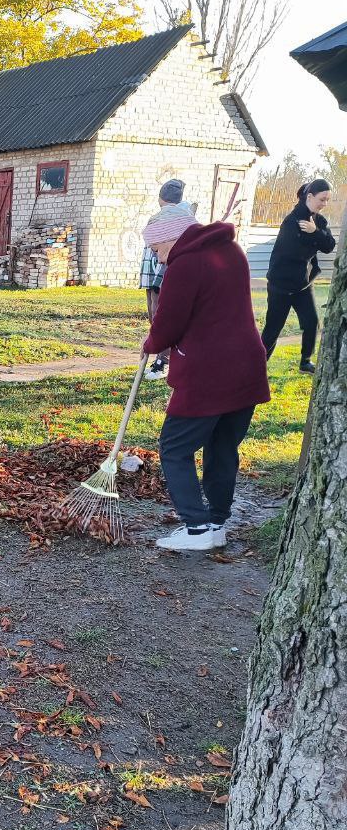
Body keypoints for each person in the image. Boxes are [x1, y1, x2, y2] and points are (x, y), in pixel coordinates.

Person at [142, 206, 270, 553]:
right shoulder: (233, 250)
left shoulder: (185, 264)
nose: (159, 258)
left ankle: (197, 529)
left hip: (209, 372)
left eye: (156, 249)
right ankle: (216, 522)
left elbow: (169, 322)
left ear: (169, 238)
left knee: (175, 447)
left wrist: (151, 344)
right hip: (245, 366)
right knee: (222, 445)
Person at [262, 178, 335, 374]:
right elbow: (294, 251)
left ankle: (305, 361)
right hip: (281, 286)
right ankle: (258, 366)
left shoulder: (319, 221)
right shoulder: (291, 220)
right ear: (309, 197)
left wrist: (315, 232)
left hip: (303, 285)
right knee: (273, 330)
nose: (324, 204)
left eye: (327, 200)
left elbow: (329, 246)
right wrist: (315, 236)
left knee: (311, 323)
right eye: (322, 199)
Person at [140, 179, 191, 379]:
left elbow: (172, 317)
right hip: (152, 276)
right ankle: (159, 357)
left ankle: (163, 361)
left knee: (162, 314)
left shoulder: (179, 221)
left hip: (163, 278)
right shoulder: (158, 220)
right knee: (154, 313)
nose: (160, 257)